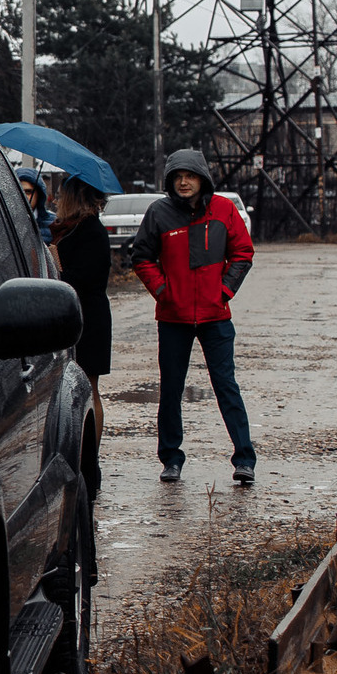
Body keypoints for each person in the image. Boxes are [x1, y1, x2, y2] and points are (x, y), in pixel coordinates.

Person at [127, 148, 258, 486]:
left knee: (226, 386)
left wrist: (224, 291)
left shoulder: (224, 210)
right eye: (177, 177)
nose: (184, 182)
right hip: (173, 318)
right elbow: (141, 257)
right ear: (170, 182)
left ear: (203, 178)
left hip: (216, 317)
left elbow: (243, 253)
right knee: (171, 389)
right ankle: (171, 460)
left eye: (190, 176)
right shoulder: (159, 213)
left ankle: (244, 459)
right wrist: (162, 291)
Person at [47, 175, 110, 498]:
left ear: (75, 196)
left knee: (89, 385)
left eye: (61, 193)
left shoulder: (91, 231)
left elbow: (84, 278)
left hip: (89, 317)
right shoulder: (69, 228)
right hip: (71, 315)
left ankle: (91, 464)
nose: (56, 197)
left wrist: (56, 265)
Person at [15, 171, 56, 245]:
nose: (24, 196)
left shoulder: (54, 224)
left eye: (28, 192)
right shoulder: (3, 222)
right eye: (19, 191)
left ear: (39, 194)